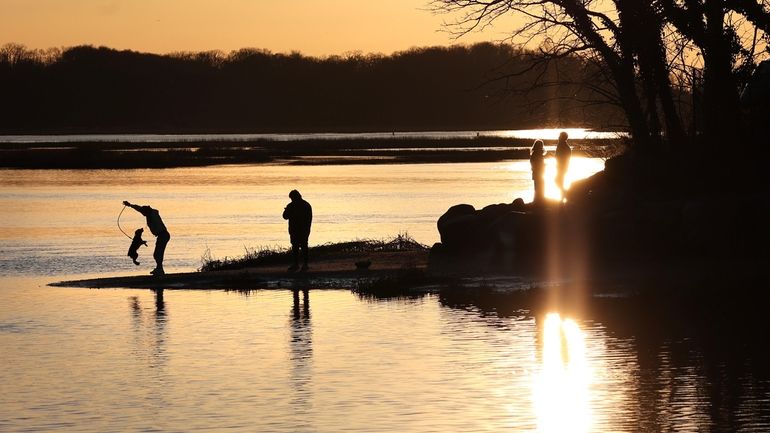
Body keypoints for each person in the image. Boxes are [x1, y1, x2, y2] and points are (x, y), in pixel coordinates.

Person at [123, 200, 170, 275]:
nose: (143, 214)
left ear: (147, 211)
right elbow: (139, 208)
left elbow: (143, 210)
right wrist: (130, 205)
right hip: (162, 235)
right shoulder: (150, 213)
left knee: (158, 253)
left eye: (143, 213)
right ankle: (159, 268)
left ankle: (160, 269)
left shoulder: (153, 214)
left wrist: (131, 205)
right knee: (157, 254)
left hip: (163, 235)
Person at [282, 190, 312, 272]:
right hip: (300, 230)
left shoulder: (294, 205)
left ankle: (300, 264)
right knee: (300, 247)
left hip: (300, 229)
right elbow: (285, 216)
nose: (292, 199)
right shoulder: (305, 205)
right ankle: (300, 264)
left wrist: (288, 210)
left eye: (292, 198)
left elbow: (285, 216)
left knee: (300, 247)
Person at [555, 131, 572, 196]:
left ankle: (565, 195)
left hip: (562, 167)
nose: (558, 137)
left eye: (559, 136)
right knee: (558, 181)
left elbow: (564, 158)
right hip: (560, 167)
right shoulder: (561, 145)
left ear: (562, 137)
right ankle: (563, 195)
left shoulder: (564, 146)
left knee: (558, 181)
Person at [530, 139, 546, 204]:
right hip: (538, 173)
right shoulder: (537, 154)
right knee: (539, 186)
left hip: (537, 173)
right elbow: (536, 164)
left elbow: (534, 164)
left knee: (538, 186)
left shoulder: (535, 154)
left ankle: (538, 200)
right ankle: (538, 200)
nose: (542, 147)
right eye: (541, 145)